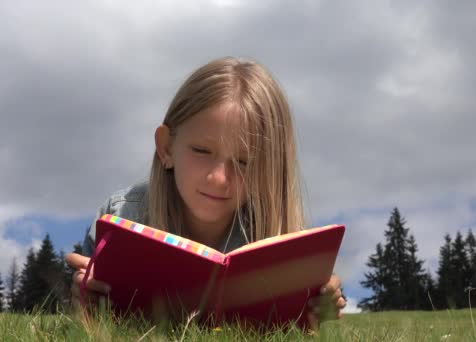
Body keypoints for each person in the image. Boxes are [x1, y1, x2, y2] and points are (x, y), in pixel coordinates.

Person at [65, 57, 346, 330]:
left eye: (244, 162)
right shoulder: (122, 216)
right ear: (166, 148)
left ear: (270, 171)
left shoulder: (282, 240)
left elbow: (302, 322)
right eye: (201, 151)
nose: (219, 179)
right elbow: (92, 320)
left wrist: (321, 303)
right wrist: (86, 295)